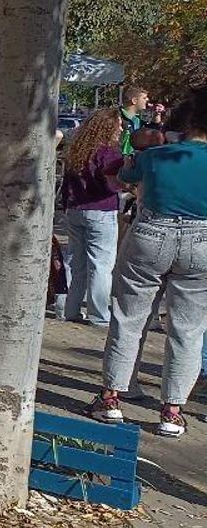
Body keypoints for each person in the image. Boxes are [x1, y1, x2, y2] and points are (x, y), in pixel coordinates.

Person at [89, 86, 207, 439]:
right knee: (188, 328)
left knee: (129, 317)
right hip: (202, 240)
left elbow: (123, 176)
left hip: (151, 233)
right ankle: (172, 410)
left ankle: (112, 397)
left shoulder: (158, 156)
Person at [60, 109, 125, 326]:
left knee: (76, 263)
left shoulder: (77, 151)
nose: (121, 129)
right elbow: (111, 184)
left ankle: (70, 308)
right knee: (101, 265)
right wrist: (128, 187)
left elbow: (66, 183)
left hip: (76, 209)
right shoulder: (109, 154)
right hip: (101, 210)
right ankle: (99, 314)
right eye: (119, 125)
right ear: (108, 127)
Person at [118, 85, 149, 155]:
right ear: (134, 101)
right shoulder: (117, 118)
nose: (147, 100)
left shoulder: (140, 119)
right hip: (119, 161)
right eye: (144, 98)